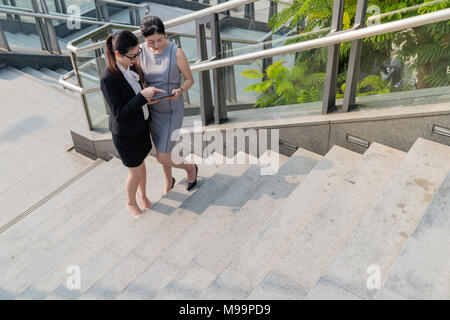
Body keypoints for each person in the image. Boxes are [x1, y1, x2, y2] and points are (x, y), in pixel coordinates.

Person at [101, 30, 165, 217]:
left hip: (140, 126)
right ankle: (130, 202)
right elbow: (119, 113)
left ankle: (142, 196)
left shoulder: (131, 66)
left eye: (138, 53)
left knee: (141, 165)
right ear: (118, 54)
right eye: (133, 55)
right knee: (135, 172)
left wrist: (147, 99)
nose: (136, 58)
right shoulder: (108, 78)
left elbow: (135, 97)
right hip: (126, 135)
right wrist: (141, 98)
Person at [139, 16, 197, 195]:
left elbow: (189, 80)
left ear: (165, 35)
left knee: (162, 156)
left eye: (160, 39)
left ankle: (190, 168)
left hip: (172, 110)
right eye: (151, 41)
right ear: (144, 40)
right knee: (163, 150)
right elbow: (140, 79)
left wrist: (180, 90)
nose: (156, 44)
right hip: (153, 109)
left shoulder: (176, 52)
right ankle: (168, 180)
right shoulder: (141, 51)